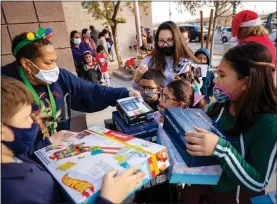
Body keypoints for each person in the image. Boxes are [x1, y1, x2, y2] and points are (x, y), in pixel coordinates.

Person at [1, 76, 146, 204]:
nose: (35, 123)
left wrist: (47, 143)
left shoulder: (11, 155)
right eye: (27, 118)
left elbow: (23, 159)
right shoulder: (13, 192)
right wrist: (108, 199)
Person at [1, 27, 140, 152]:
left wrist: (125, 93)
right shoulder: (5, 85)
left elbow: (91, 91)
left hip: (61, 150)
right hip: (26, 164)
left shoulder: (61, 76)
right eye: (49, 62)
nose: (55, 68)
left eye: (55, 61)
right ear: (26, 64)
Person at [180, 42, 277, 204]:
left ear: (246, 82)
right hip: (204, 192)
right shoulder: (220, 106)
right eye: (217, 73)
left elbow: (258, 182)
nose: (216, 81)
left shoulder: (268, 124)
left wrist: (222, 149)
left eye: (222, 75)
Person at [134, 79, 206, 204]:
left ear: (180, 105)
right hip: (150, 176)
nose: (160, 100)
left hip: (167, 185)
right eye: (162, 94)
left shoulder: (188, 132)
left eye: (165, 97)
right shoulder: (156, 117)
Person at [132, 21, 199, 90]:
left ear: (177, 39)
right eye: (161, 40)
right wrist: (136, 79)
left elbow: (199, 85)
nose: (165, 44)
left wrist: (191, 85)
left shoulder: (189, 60)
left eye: (170, 40)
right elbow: (136, 88)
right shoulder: (149, 61)